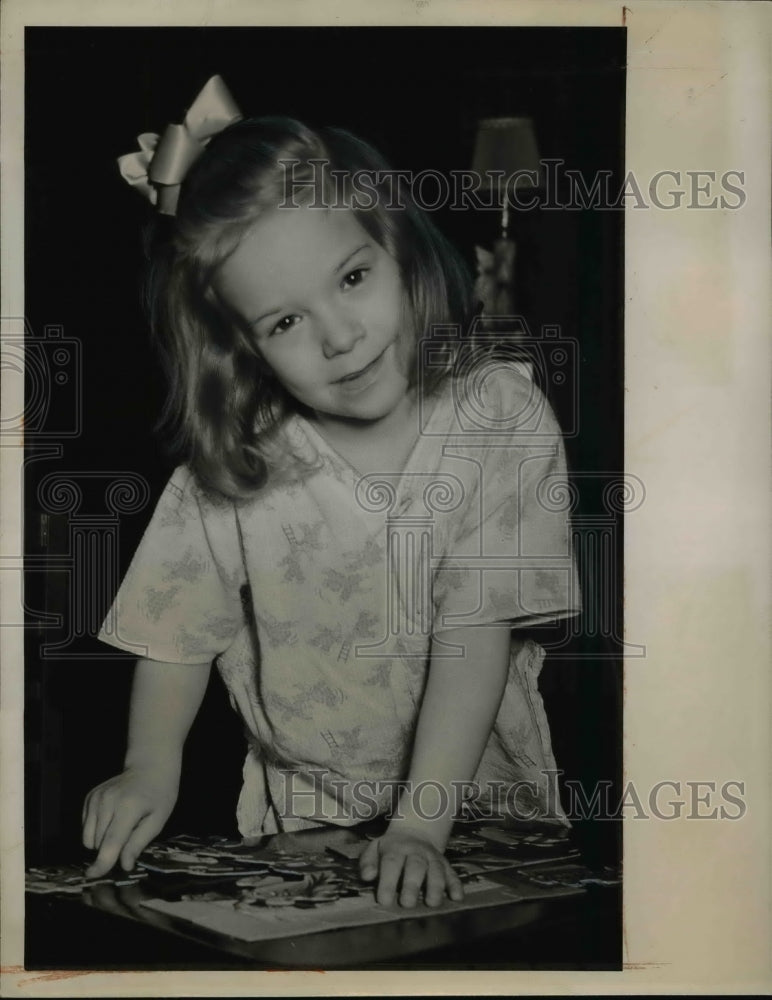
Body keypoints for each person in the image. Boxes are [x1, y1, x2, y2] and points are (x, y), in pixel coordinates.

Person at [82, 77, 581, 909]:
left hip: (478, 811)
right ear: (237, 348)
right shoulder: (235, 463)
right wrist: (149, 764)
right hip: (305, 818)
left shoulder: (499, 417)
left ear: (395, 242)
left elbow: (474, 629)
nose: (339, 338)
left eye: (351, 279)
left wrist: (421, 825)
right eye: (284, 322)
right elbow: (175, 629)